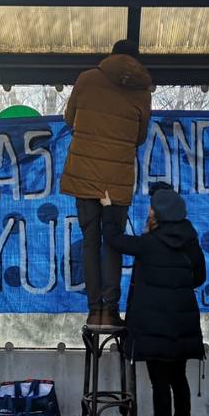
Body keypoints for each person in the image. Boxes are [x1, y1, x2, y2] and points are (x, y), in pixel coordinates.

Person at [100, 184, 205, 416]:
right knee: (178, 379)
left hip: (155, 327)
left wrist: (109, 209)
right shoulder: (190, 239)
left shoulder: (148, 243)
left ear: (157, 214)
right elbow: (199, 277)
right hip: (183, 324)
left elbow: (114, 239)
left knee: (159, 381)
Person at [59, 39, 153, 328]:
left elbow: (69, 118)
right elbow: (139, 136)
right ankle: (111, 310)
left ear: (112, 55)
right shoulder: (142, 90)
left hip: (85, 174)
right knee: (112, 242)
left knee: (90, 241)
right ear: (136, 61)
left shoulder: (87, 79)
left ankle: (93, 310)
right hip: (118, 183)